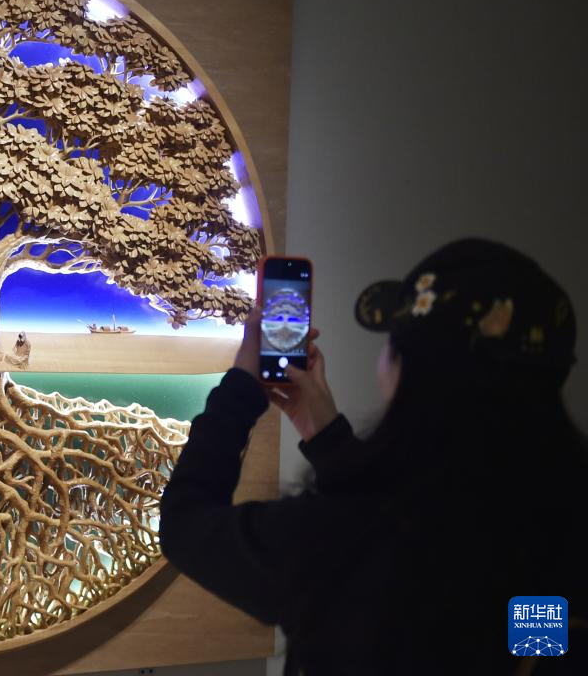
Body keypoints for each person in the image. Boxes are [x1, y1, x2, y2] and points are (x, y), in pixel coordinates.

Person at [160, 238, 586, 675]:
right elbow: (524, 645)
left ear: (409, 371)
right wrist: (327, 437)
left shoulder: (332, 541)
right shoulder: (555, 531)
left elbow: (185, 522)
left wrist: (241, 388)